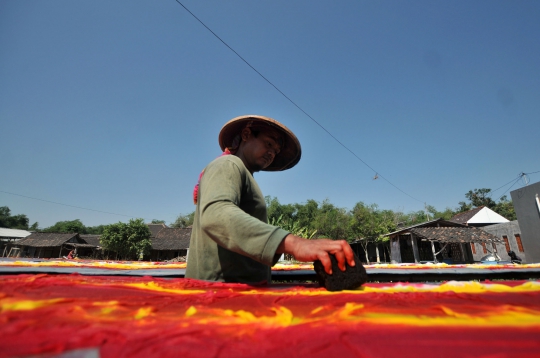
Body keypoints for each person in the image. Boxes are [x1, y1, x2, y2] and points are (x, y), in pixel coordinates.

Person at [185, 114, 355, 283]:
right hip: (217, 295)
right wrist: (295, 244)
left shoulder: (245, 175)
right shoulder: (228, 164)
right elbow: (216, 215)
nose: (272, 153)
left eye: (275, 150)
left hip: (238, 296)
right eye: (268, 144)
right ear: (246, 135)